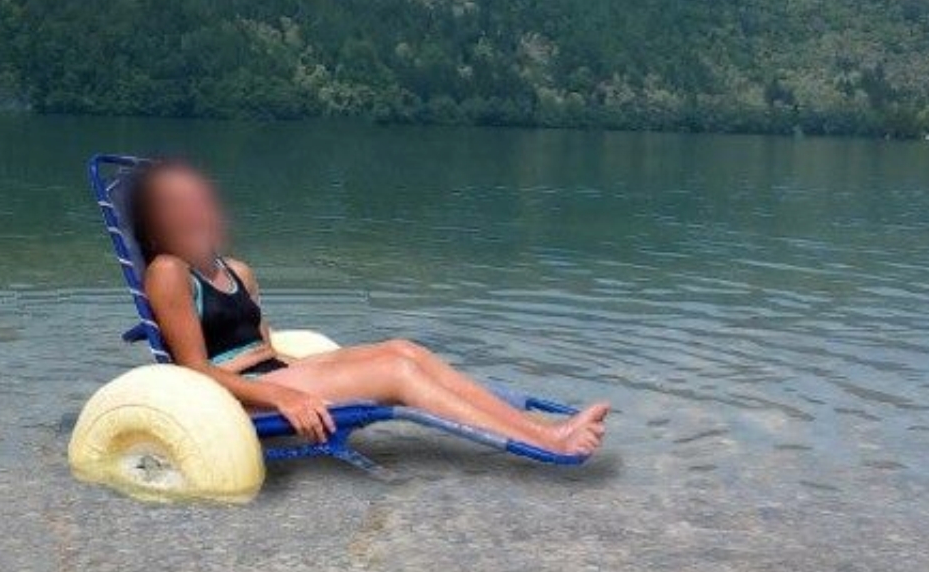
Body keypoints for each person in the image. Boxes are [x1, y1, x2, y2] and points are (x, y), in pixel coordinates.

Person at [126, 160, 608, 455]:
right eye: (176, 206)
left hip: (277, 372)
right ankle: (546, 440)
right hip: (244, 396)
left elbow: (266, 347)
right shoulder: (168, 271)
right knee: (396, 374)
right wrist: (282, 398)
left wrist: (332, 366)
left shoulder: (236, 271)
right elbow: (195, 371)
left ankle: (538, 427)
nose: (194, 212)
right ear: (155, 224)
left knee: (403, 349)